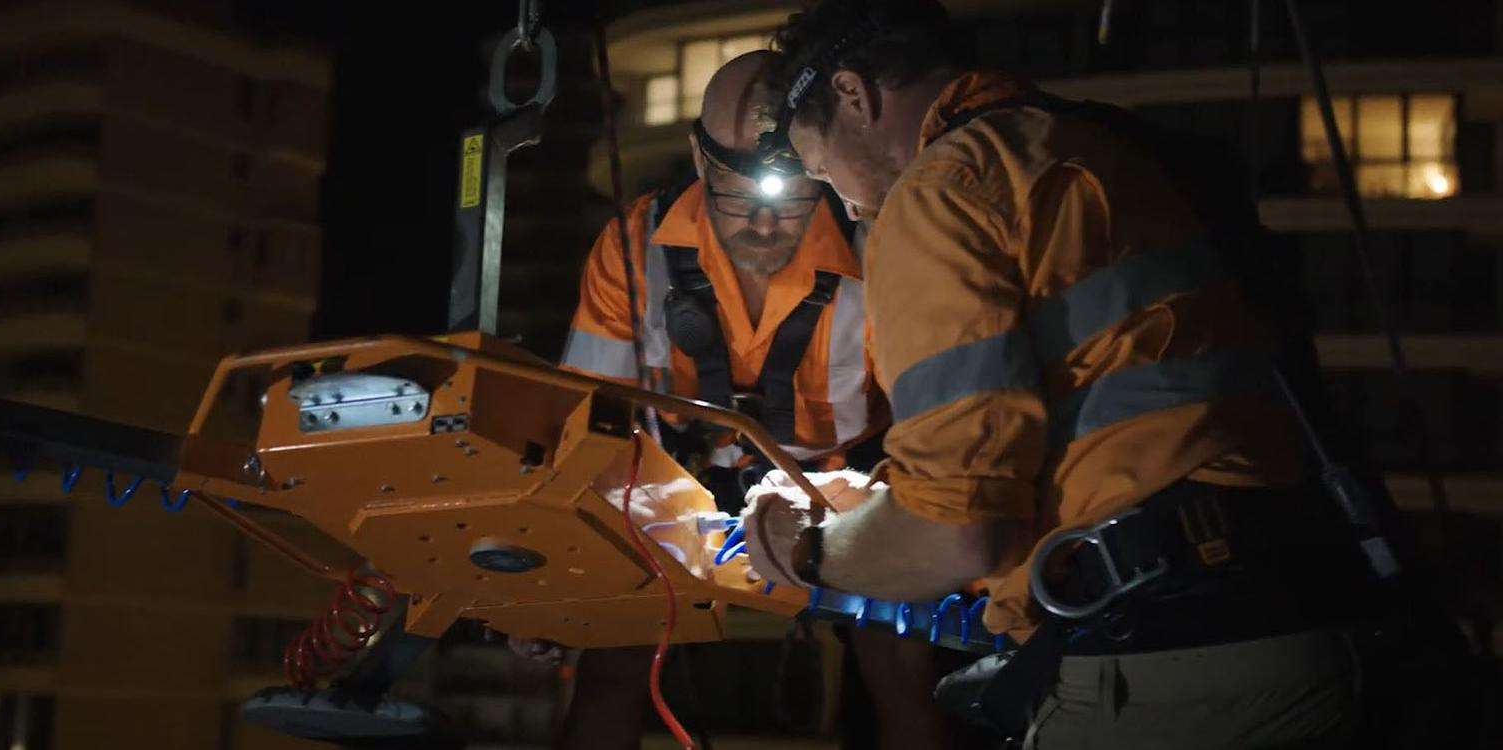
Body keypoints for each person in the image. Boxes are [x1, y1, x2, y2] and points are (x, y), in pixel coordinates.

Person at [741, 1, 1396, 747]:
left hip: (1163, 670)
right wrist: (885, 505)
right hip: (1307, 628)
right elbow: (1116, 411)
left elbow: (956, 539)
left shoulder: (941, 191)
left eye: (823, 168)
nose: (845, 202)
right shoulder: (1104, 149)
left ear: (853, 96)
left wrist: (808, 546)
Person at [531, 50, 968, 749]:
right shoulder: (634, 245)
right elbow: (585, 415)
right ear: (701, 165)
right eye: (741, 195)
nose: (767, 226)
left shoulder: (874, 246)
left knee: (901, 664)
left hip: (839, 485)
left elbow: (928, 425)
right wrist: (558, 559)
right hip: (671, 483)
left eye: (794, 199)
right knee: (610, 659)